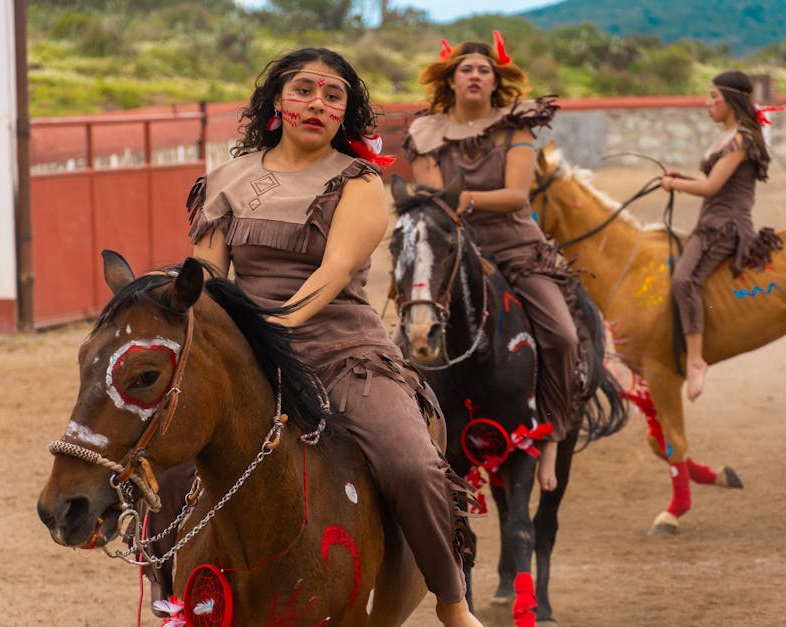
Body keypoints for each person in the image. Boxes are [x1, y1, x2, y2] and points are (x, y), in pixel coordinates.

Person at [187, 47, 482, 627]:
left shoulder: (359, 181)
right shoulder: (226, 180)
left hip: (344, 356)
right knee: (165, 453)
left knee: (413, 466)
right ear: (278, 101)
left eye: (333, 96)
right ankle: (171, 586)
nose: (317, 103)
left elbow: (331, 275)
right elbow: (208, 280)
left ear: (345, 113)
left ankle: (451, 601)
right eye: (303, 90)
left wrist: (269, 329)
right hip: (247, 355)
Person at [403, 32, 575, 493]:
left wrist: (457, 198)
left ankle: (553, 431)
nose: (476, 75)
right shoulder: (426, 132)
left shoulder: (515, 128)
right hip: (456, 255)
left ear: (495, 81)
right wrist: (447, 205)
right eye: (467, 69)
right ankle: (418, 435)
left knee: (562, 334)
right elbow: (432, 204)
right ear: (452, 80)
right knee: (408, 334)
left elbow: (515, 195)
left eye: (484, 69)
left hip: (517, 249)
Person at [660, 70, 783, 401]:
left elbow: (711, 187)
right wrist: (682, 176)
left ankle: (697, 360)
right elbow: (716, 182)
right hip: (711, 220)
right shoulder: (727, 136)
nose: (707, 103)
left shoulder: (741, 138)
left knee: (684, 281)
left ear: (731, 101)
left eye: (713, 96)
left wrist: (674, 184)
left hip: (725, 226)